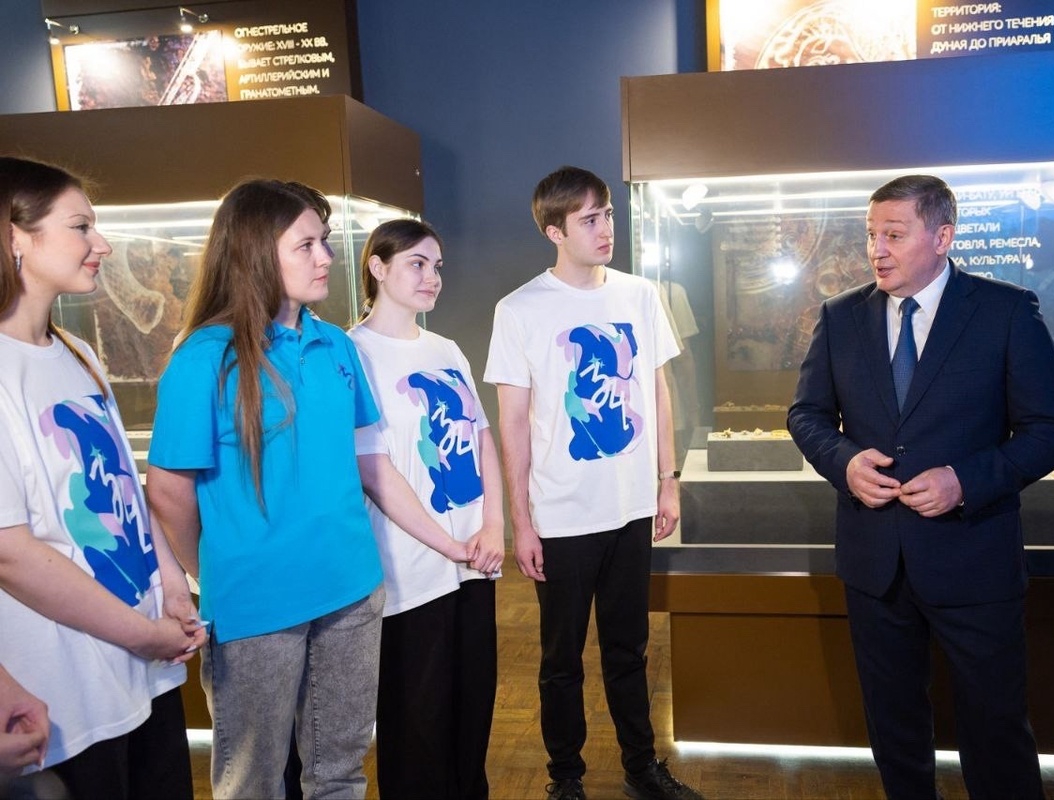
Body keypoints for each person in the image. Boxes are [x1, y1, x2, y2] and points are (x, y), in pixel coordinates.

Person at [787, 174, 1054, 798]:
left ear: (943, 237)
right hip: (875, 564)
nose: (877, 250)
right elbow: (806, 415)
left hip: (974, 560)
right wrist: (844, 462)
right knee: (894, 731)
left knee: (996, 732)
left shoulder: (1005, 312)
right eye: (871, 234)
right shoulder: (840, 317)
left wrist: (964, 481)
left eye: (894, 235)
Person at [145, 179, 385, 800]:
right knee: (252, 780)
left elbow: (362, 461)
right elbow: (167, 491)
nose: (325, 257)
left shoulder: (336, 344)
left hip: (352, 589)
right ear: (255, 253)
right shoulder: (205, 358)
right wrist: (214, 568)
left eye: (324, 241)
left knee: (341, 771)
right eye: (306, 245)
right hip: (256, 606)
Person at [484, 166, 703, 800]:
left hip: (631, 508)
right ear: (555, 231)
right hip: (561, 516)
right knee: (560, 661)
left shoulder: (640, 294)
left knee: (629, 650)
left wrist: (668, 481)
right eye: (589, 219)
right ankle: (566, 778)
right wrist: (522, 522)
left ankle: (641, 768)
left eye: (607, 213)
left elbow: (658, 391)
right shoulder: (519, 309)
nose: (606, 228)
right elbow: (513, 422)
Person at [0, 156, 204, 799]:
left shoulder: (78, 353)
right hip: (65, 695)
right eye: (81, 227)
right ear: (14, 236)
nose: (103, 245)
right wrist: (145, 635)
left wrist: (172, 583)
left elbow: (123, 482)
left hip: (141, 675)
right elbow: (10, 553)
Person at [349, 218, 504, 798]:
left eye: (437, 266)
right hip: (410, 572)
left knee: (472, 709)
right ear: (377, 266)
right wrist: (451, 545)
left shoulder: (446, 348)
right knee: (416, 721)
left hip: (473, 561)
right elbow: (373, 470)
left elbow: (481, 437)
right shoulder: (352, 352)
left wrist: (493, 527)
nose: (432, 277)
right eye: (417, 263)